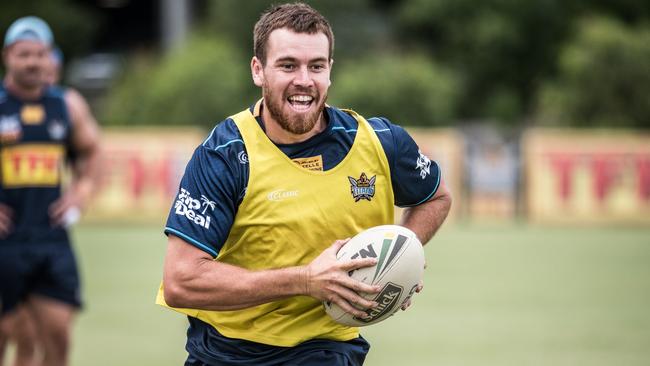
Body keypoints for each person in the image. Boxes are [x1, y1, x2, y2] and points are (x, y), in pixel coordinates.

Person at [157, 3, 451, 365]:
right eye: (287, 65)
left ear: (330, 71)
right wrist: (306, 280)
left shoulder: (379, 141)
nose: (304, 80)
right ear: (258, 71)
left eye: (316, 66)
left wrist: (402, 255)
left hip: (325, 349)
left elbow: (435, 197)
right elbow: (181, 281)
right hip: (222, 353)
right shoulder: (226, 154)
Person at [0, 16, 101, 366]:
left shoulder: (66, 105)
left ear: (50, 58)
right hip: (4, 242)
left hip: (50, 240)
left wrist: (81, 191)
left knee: (59, 337)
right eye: (24, 54)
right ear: (7, 56)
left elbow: (91, 152)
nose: (32, 62)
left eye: (39, 54)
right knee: (7, 337)